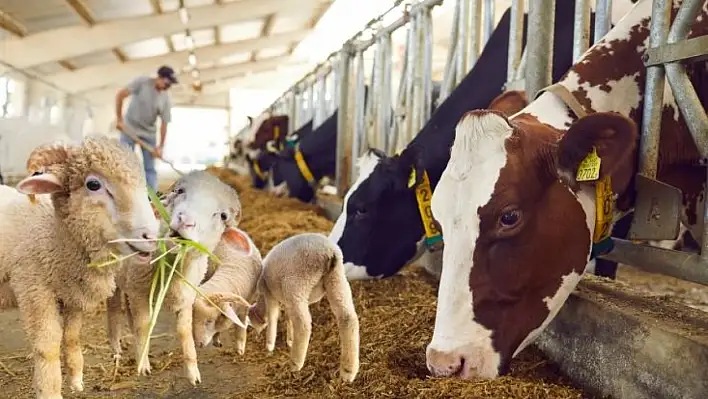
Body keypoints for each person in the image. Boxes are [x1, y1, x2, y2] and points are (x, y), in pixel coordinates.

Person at [115, 65, 176, 190]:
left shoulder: (165, 99)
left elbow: (164, 124)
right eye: (167, 83)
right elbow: (120, 95)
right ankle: (123, 191)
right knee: (123, 162)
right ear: (160, 77)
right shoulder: (142, 82)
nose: (167, 87)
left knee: (149, 168)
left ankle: (152, 198)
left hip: (149, 135)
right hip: (129, 129)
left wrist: (160, 147)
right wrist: (119, 119)